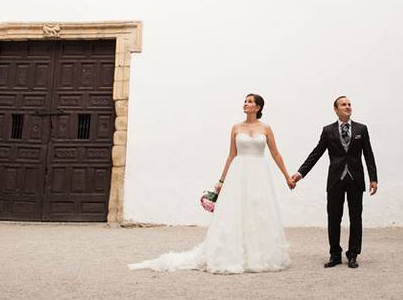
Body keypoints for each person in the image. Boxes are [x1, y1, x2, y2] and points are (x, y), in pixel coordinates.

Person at [128, 93, 295, 274]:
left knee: (258, 212)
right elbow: (232, 155)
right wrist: (221, 181)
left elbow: (276, 154)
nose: (245, 104)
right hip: (239, 173)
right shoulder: (236, 127)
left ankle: (258, 255)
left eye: (250, 102)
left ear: (258, 107)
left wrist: (287, 176)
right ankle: (232, 253)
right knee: (236, 212)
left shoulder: (266, 128)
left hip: (259, 173)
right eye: (245, 101)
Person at [291, 96, 377, 269]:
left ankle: (353, 254)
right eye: (343, 105)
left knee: (355, 218)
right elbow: (316, 154)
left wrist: (373, 178)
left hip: (355, 179)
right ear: (336, 109)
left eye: (349, 104)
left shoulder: (362, 129)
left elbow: (368, 154)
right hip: (335, 179)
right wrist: (300, 173)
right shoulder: (328, 131)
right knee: (334, 218)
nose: (348, 107)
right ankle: (335, 254)